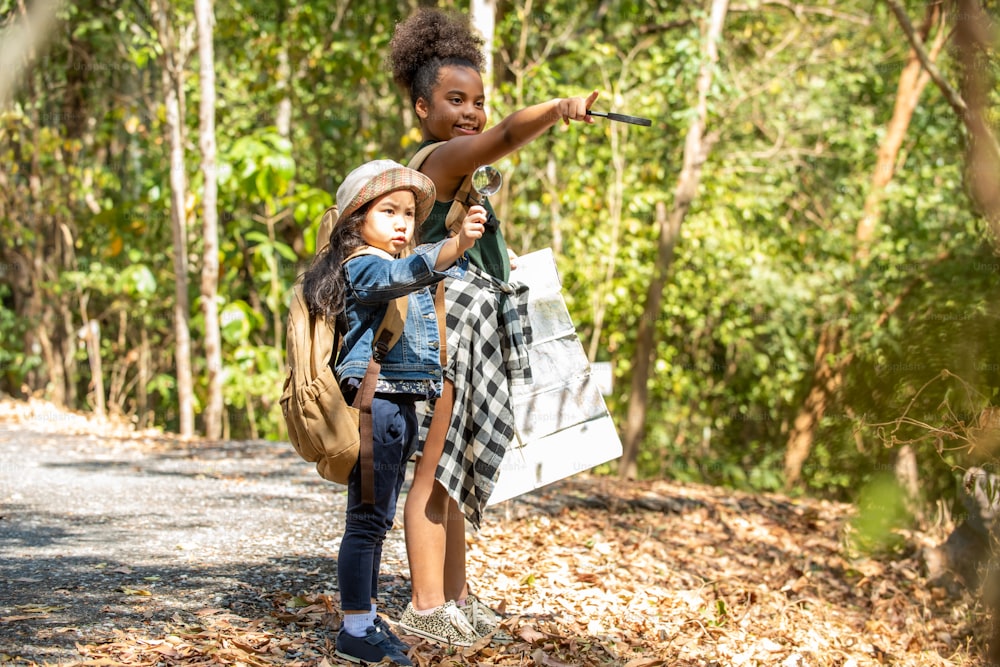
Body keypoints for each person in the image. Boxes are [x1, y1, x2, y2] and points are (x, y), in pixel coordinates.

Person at [387, 8, 599, 646]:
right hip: (437, 334)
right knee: (432, 467)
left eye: (478, 101)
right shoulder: (442, 158)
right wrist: (560, 108)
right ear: (422, 108)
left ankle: (457, 597)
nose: (471, 112)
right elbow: (505, 135)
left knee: (456, 472)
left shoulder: (466, 179)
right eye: (455, 99)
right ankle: (426, 607)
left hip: (467, 334)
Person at [300, 159, 486, 665]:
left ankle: (367, 616)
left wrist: (460, 244)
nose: (403, 222)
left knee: (376, 520)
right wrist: (454, 247)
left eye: (409, 213)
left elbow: (426, 268)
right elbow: (404, 274)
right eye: (389, 211)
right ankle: (354, 629)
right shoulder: (363, 263)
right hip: (375, 404)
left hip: (397, 401)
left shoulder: (388, 256)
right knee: (365, 523)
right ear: (357, 219)